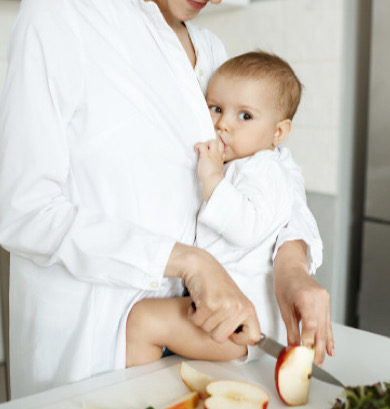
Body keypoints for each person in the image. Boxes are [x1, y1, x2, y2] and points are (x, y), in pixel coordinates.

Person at [0, 0, 334, 399]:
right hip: (92, 351)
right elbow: (26, 212)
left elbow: (274, 170)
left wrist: (291, 266)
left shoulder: (211, 51)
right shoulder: (61, 17)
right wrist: (188, 262)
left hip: (190, 358)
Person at [126, 51, 308, 365]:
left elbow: (246, 226)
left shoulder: (266, 170)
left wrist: (212, 178)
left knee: (143, 320)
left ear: (278, 132)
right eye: (216, 108)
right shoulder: (242, 164)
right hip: (222, 312)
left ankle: (134, 399)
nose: (223, 124)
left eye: (245, 116)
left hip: (238, 322)